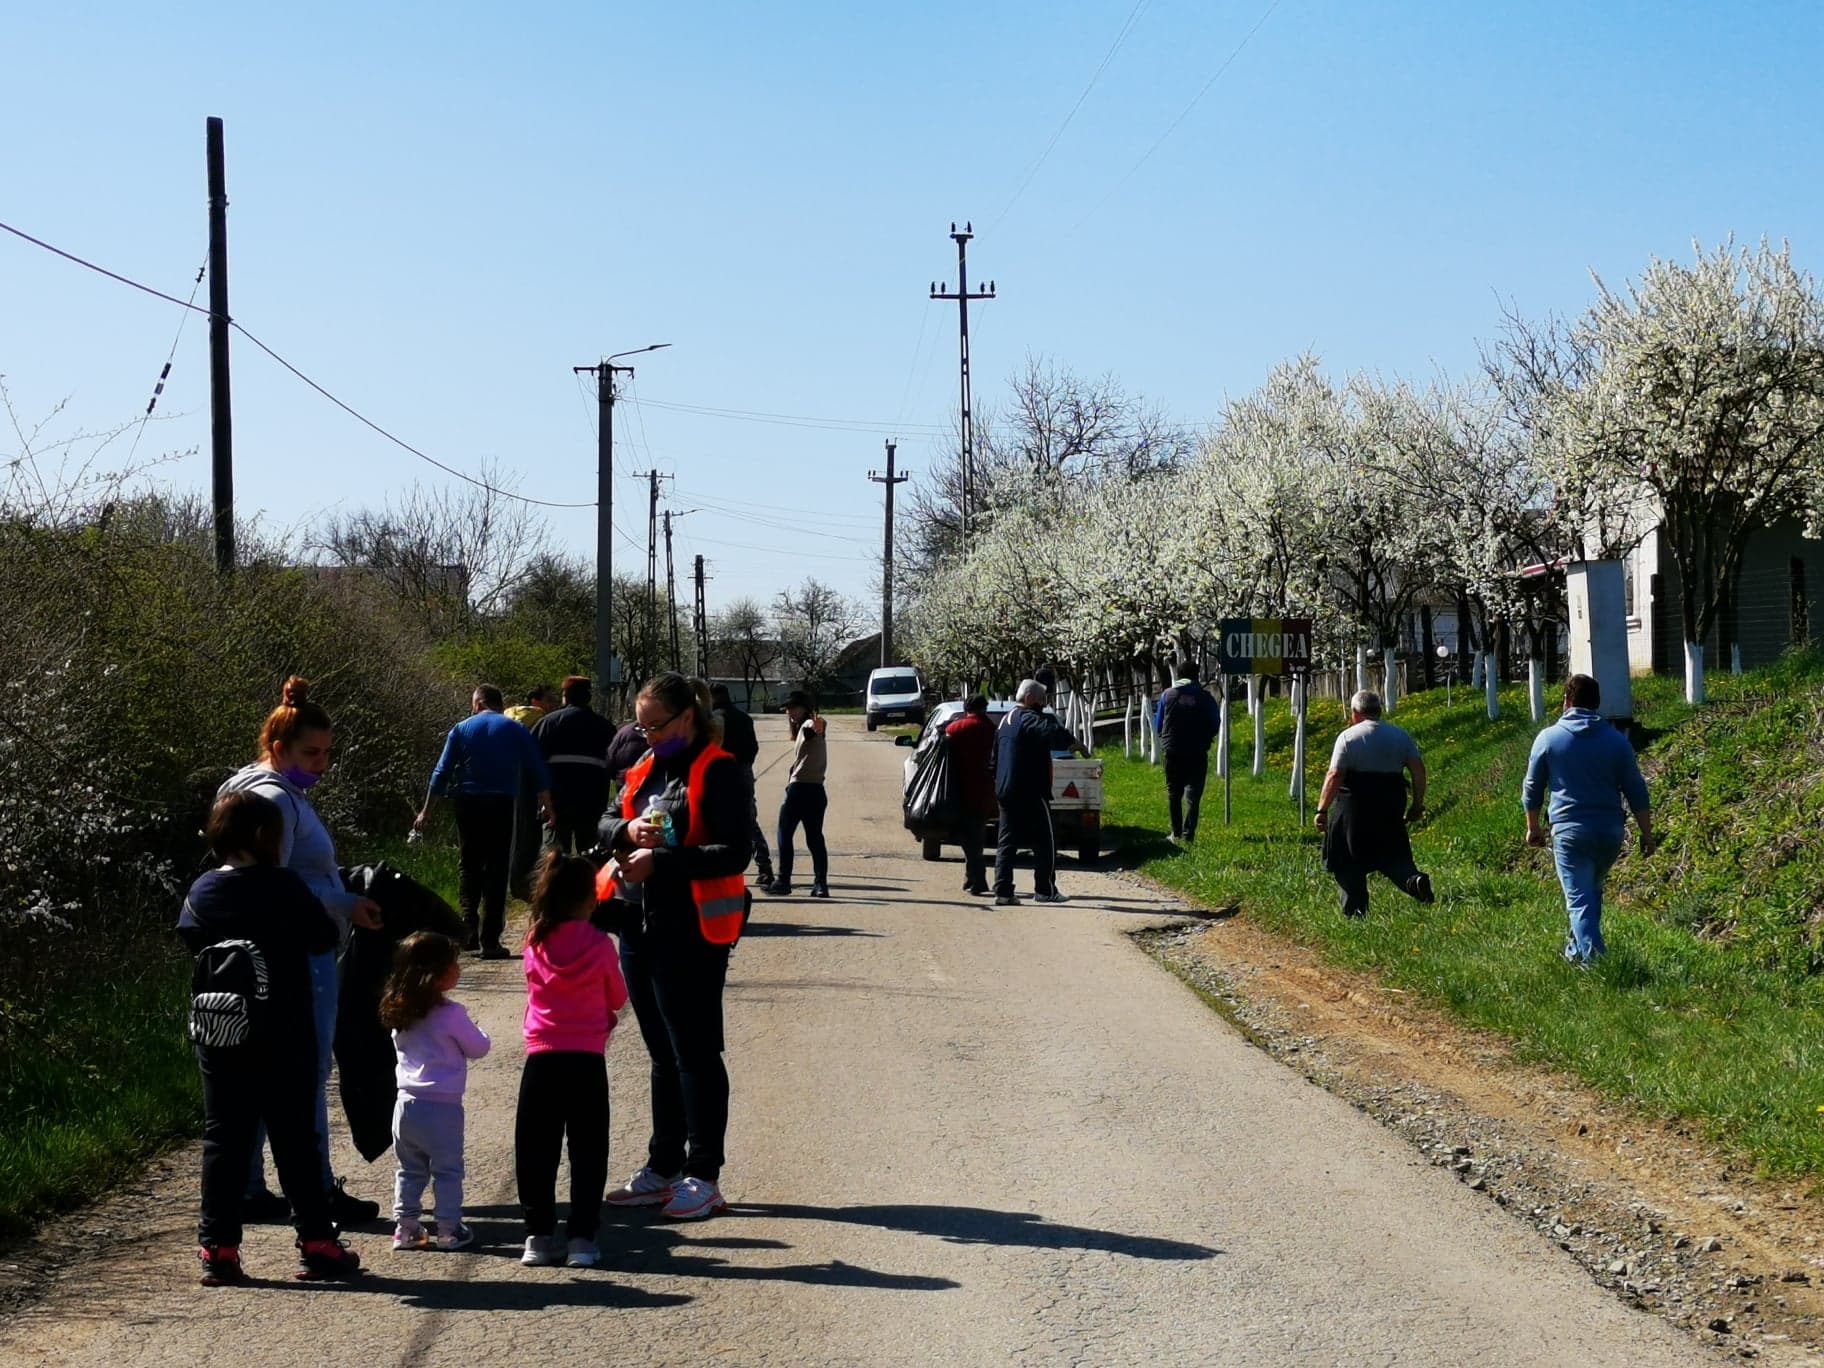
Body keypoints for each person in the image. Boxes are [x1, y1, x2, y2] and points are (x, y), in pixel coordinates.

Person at [217, 676, 384, 1228]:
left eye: (328, 753)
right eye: (311, 753)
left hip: (264, 954)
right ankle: (315, 1191)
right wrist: (345, 900)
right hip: (296, 952)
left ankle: (247, 1185)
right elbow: (275, 885)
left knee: (259, 1070)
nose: (321, 764)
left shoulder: (251, 788)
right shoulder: (274, 800)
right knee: (307, 1070)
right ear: (278, 748)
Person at [179, 791, 362, 1285]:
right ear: (266, 838)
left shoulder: (202, 891)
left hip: (222, 1030)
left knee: (225, 1137)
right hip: (285, 1030)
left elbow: (191, 938)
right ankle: (318, 1244)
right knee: (294, 1138)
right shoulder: (284, 886)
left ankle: (218, 1249)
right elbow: (322, 936)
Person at [598, 673, 749, 1221]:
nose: (646, 735)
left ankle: (704, 1174)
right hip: (637, 924)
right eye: (640, 725)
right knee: (661, 1054)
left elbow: (733, 852)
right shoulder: (644, 764)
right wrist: (625, 830)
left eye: (655, 725)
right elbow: (605, 818)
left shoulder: (719, 769)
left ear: (687, 716)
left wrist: (662, 860)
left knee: (695, 1055)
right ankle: (663, 1168)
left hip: (693, 933)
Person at [517, 850, 629, 1269]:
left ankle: (538, 1235)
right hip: (585, 1058)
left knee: (535, 1149)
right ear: (590, 899)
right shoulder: (600, 945)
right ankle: (582, 1237)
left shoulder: (535, 941)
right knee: (587, 1149)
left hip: (542, 1057)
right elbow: (617, 996)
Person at [415, 684, 557, 959]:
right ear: (498, 704)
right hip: (501, 803)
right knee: (497, 867)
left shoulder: (461, 729)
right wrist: (547, 805)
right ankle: (490, 940)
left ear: (478, 703)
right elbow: (537, 768)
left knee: (469, 865)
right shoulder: (514, 729)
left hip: (467, 803)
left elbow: (441, 771)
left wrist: (426, 811)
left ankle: (467, 934)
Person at [1522, 673, 1654, 964]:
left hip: (1570, 832)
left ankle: (1596, 963)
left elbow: (1532, 787)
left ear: (1566, 701)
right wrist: (1646, 833)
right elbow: (1636, 789)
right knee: (1590, 893)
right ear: (1597, 703)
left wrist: (1533, 827)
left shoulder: (1549, 739)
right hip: (1609, 831)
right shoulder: (1617, 742)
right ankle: (1575, 952)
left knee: (1579, 899)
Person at [380, 931, 491, 1253]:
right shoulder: (451, 1014)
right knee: (447, 1170)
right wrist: (478, 1030)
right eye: (454, 964)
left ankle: (406, 1227)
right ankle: (448, 1228)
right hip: (442, 1107)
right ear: (440, 974)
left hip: (405, 1105)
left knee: (410, 1169)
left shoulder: (400, 1012)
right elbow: (478, 1047)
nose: (458, 968)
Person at [1315, 689, 1434, 917]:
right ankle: (1413, 880)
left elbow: (1335, 775)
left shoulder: (1348, 737)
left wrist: (1321, 810)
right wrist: (1417, 804)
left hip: (1354, 806)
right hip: (1390, 803)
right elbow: (1418, 771)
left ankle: (1356, 911)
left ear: (1355, 713)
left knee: (1347, 858)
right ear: (1379, 710)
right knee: (1393, 853)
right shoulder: (1400, 735)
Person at [993, 679, 1087, 906]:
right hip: (1030, 791)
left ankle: (1003, 891)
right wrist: (1075, 743)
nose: (1043, 705)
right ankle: (1045, 890)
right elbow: (1050, 732)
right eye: (1041, 701)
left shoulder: (1005, 721)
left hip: (1006, 789)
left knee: (1007, 842)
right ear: (1028, 699)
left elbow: (994, 757)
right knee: (1045, 840)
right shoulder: (1028, 718)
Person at [531, 676, 618, 855]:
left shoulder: (548, 723)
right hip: (592, 805)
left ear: (565, 696)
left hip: (556, 804)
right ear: (588, 697)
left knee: (553, 861)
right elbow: (617, 767)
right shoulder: (605, 727)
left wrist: (541, 803)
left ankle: (555, 883)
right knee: (591, 857)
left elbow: (532, 764)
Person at [711, 683, 776, 890]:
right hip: (742, 773)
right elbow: (754, 748)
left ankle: (720, 868)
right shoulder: (744, 718)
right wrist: (745, 766)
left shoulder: (712, 720)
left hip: (718, 775)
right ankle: (764, 867)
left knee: (715, 821)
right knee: (748, 820)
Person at [767, 690, 829, 898]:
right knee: (814, 838)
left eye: (793, 708)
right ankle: (820, 884)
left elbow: (815, 728)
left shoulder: (809, 724)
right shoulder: (805, 726)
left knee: (785, 833)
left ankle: (783, 881)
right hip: (816, 790)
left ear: (804, 707)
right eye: (788, 709)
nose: (790, 712)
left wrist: (817, 725)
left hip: (800, 789)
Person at [1154, 662, 1222, 844]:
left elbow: (1158, 724)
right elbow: (1216, 723)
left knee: (1174, 793)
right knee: (1193, 795)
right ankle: (1188, 835)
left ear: (1178, 674)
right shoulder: (1205, 698)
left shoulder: (1167, 695)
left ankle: (1175, 833)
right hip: (1197, 751)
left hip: (1173, 751)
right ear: (1196, 675)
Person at [506, 685, 558, 900]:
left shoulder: (509, 718)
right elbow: (538, 760)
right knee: (530, 835)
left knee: (512, 835)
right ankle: (525, 884)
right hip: (529, 784)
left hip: (506, 782)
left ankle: (513, 883)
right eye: (548, 700)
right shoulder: (539, 720)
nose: (552, 705)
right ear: (535, 701)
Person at [944, 694, 997, 897]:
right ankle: (971, 877)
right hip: (987, 793)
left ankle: (979, 880)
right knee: (976, 836)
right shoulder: (993, 730)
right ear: (985, 709)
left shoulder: (956, 729)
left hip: (961, 792)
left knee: (969, 839)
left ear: (967, 709)